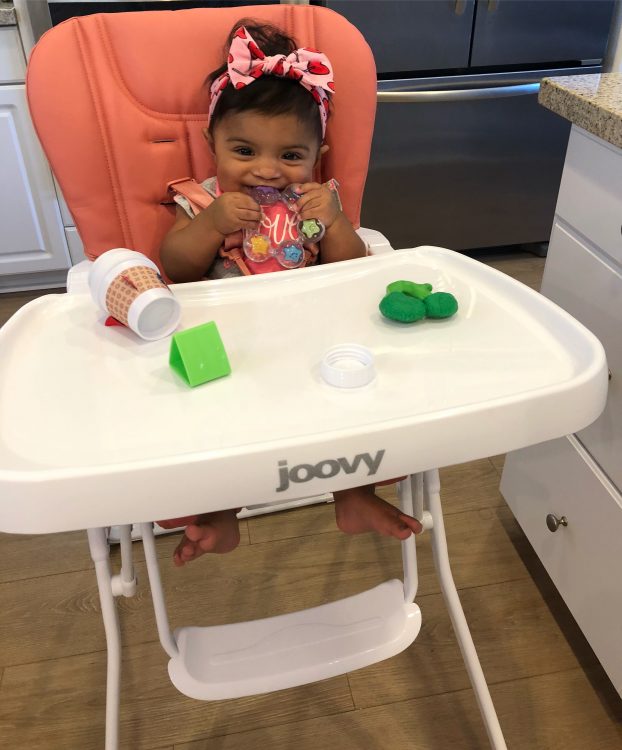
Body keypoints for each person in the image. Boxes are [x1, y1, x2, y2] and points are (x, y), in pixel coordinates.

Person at [158, 20, 422, 566]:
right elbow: (176, 269)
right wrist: (211, 225)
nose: (267, 170)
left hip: (310, 331)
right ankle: (221, 513)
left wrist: (339, 224)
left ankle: (353, 495)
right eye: (245, 150)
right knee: (213, 417)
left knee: (352, 399)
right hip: (229, 341)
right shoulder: (204, 200)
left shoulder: (316, 201)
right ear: (213, 145)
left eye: (291, 156)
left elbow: (352, 270)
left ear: (316, 154)